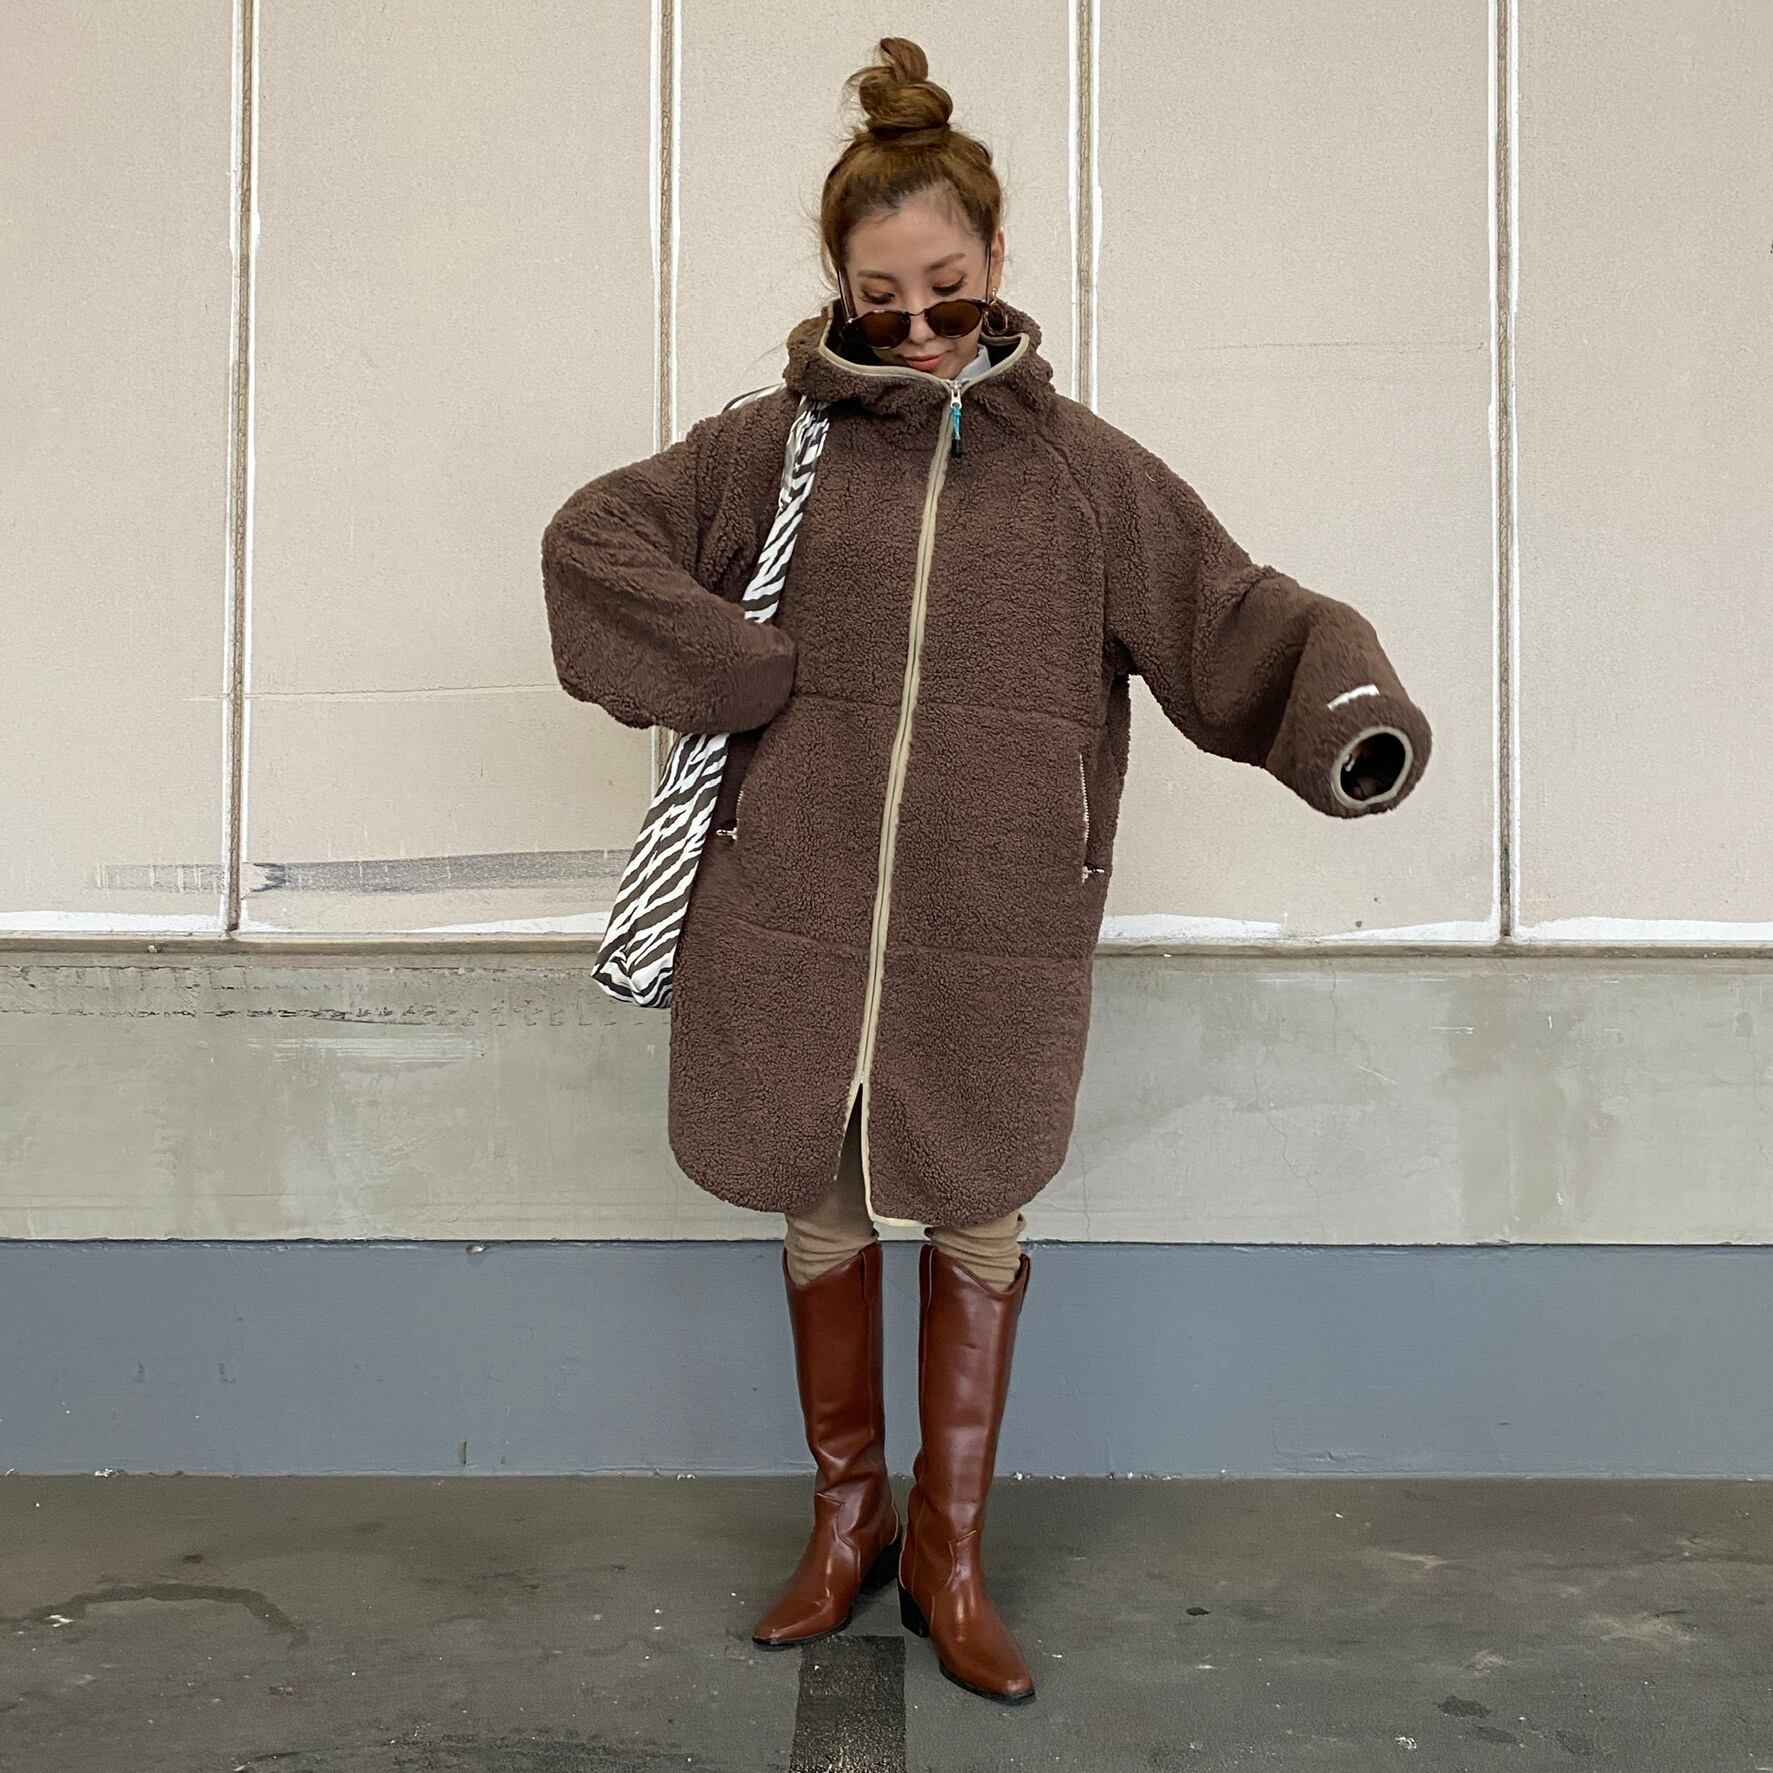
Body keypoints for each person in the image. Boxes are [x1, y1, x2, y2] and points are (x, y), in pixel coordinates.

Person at [539, 36, 1431, 1708]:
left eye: (944, 292)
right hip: (792, 914)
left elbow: (1237, 617)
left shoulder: (1089, 478)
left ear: (998, 260)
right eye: (880, 301)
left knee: (979, 1210)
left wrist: (1349, 718)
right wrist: (736, 671)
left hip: (993, 930)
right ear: (839, 285)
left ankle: (948, 1557)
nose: (918, 328)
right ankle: (846, 1525)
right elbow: (595, 541)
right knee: (816, 1203)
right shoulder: (767, 449)